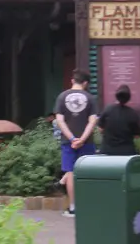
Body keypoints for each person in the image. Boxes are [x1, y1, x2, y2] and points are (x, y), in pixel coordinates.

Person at [54, 69, 98, 219]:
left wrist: (72, 138)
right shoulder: (90, 98)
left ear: (72, 80)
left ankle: (73, 207)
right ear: (85, 83)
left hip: (68, 143)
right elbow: (93, 121)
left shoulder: (62, 97)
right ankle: (87, 205)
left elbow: (59, 121)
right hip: (87, 142)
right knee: (86, 173)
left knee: (71, 173)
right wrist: (82, 139)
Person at [99, 84, 140, 156]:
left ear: (116, 95)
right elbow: (137, 135)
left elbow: (100, 129)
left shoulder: (107, 109)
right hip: (126, 153)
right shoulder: (133, 114)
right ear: (129, 97)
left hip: (107, 151)